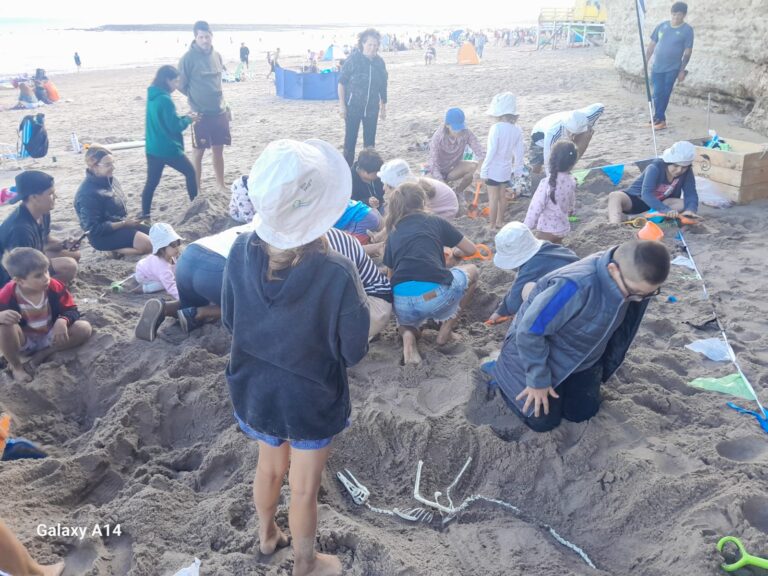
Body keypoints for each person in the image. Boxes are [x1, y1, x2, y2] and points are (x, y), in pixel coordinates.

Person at [222, 138, 369, 576]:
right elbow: (353, 351)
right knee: (303, 489)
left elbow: (230, 319)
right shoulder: (337, 271)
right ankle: (306, 562)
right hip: (310, 396)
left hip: (254, 386)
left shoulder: (237, 250)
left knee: (269, 468)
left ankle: (267, 535)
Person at [490, 240, 670, 432]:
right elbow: (529, 331)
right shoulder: (574, 286)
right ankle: (498, 368)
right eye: (634, 293)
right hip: (539, 357)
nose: (638, 300)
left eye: (649, 294)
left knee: (581, 414)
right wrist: (537, 380)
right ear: (612, 270)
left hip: (584, 360)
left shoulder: (634, 282)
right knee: (542, 422)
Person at [383, 183, 479, 364]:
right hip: (432, 296)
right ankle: (445, 332)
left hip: (402, 301)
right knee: (473, 272)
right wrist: (456, 254)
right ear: (423, 201)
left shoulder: (393, 233)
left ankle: (409, 341)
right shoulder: (435, 220)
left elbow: (390, 277)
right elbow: (471, 249)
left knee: (407, 323)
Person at [0, 248, 92, 382]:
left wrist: (62, 320)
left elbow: (72, 309)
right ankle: (16, 367)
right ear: (20, 281)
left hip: (51, 335)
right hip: (23, 341)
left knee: (84, 328)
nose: (46, 278)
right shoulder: (6, 295)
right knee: (4, 325)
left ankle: (43, 354)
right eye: (38, 275)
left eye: (46, 271)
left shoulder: (55, 286)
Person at [487, 222, 578, 323]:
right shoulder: (551, 248)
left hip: (569, 306)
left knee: (528, 289)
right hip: (585, 291)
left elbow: (514, 304)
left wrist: (502, 312)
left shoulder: (531, 266)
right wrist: (502, 309)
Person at [0, 171, 79, 288]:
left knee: (74, 254)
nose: (55, 197)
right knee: (69, 266)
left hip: (31, 259)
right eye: (50, 194)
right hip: (11, 275)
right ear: (34, 197)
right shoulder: (21, 230)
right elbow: (17, 269)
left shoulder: (43, 212)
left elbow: (45, 241)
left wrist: (64, 244)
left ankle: (52, 285)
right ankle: (45, 292)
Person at [140, 65, 198, 218]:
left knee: (151, 183)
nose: (177, 85)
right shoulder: (165, 99)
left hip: (152, 147)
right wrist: (188, 119)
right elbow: (174, 127)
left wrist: (183, 117)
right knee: (190, 173)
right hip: (167, 148)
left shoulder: (153, 94)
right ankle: (195, 205)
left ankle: (145, 214)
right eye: (175, 82)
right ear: (167, 80)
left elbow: (164, 121)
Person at [178, 21, 230, 191]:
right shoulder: (187, 59)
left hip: (219, 111)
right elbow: (180, 84)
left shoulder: (217, 56)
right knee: (198, 152)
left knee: (218, 150)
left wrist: (226, 105)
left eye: (207, 36)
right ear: (195, 37)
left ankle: (220, 184)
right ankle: (197, 188)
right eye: (201, 37)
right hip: (199, 114)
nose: (205, 40)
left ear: (211, 36)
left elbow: (218, 83)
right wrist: (195, 97)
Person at [74, 145, 152, 256]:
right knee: (148, 245)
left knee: (158, 234)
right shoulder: (87, 194)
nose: (113, 167)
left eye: (113, 163)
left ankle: (125, 244)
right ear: (94, 167)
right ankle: (114, 250)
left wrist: (127, 222)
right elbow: (93, 229)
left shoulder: (110, 180)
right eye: (108, 164)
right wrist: (124, 223)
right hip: (102, 236)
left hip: (119, 224)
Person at [607, 141, 698, 223]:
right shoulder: (654, 168)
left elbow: (691, 193)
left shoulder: (687, 172)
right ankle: (615, 225)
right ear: (668, 162)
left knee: (684, 203)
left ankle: (639, 217)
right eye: (675, 166)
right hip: (637, 200)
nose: (679, 170)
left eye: (684, 167)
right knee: (615, 196)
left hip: (660, 204)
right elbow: (646, 194)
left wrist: (690, 210)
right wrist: (665, 210)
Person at [338, 28, 388, 165]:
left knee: (370, 143)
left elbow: (383, 86)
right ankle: (347, 169)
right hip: (353, 107)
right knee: (350, 140)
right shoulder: (353, 59)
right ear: (363, 44)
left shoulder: (379, 62)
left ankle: (367, 169)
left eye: (375, 45)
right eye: (370, 44)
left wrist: (383, 108)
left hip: (372, 109)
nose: (373, 48)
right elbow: (341, 83)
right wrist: (342, 105)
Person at [646, 2, 694, 129]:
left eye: (679, 15)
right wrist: (645, 62)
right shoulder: (662, 26)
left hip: (673, 68)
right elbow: (651, 45)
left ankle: (660, 120)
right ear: (671, 13)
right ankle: (657, 118)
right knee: (656, 93)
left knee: (665, 93)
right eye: (674, 14)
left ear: (684, 15)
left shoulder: (687, 30)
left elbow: (688, 51)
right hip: (657, 66)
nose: (676, 17)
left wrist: (682, 70)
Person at [480, 92, 524, 230]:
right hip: (506, 168)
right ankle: (500, 221)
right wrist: (518, 171)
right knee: (502, 196)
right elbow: (519, 153)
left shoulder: (496, 128)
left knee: (492, 198)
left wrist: (484, 169)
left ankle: (492, 225)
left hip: (494, 168)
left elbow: (491, 151)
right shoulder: (517, 130)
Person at [523, 140, 578, 243]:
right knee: (556, 247)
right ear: (572, 163)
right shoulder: (572, 180)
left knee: (536, 249)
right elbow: (571, 205)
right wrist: (572, 215)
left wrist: (525, 228)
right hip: (563, 228)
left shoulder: (546, 183)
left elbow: (535, 207)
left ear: (552, 160)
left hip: (548, 230)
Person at [425, 107, 486, 196]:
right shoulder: (438, 137)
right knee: (427, 186)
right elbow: (433, 164)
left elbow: (480, 152)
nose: (458, 132)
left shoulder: (466, 133)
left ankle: (458, 192)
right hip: (437, 170)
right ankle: (447, 189)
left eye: (460, 128)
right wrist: (443, 184)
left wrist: (481, 173)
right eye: (455, 128)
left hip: (453, 169)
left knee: (474, 166)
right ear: (447, 125)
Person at [529, 103, 604, 173]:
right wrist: (552, 179)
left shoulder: (587, 115)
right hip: (540, 137)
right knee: (536, 170)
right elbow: (547, 158)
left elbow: (600, 106)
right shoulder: (552, 132)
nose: (573, 136)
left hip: (563, 134)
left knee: (587, 134)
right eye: (571, 133)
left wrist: (591, 125)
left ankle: (568, 167)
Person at [379, 159, 458, 219]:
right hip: (446, 204)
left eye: (386, 185)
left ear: (395, 186)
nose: (383, 188)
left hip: (447, 210)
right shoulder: (411, 185)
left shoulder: (412, 193)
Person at [134, 223, 183, 298]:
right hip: (144, 275)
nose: (177, 247)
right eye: (173, 245)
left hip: (148, 266)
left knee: (171, 277)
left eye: (178, 242)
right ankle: (144, 288)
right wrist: (183, 298)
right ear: (162, 248)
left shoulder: (171, 255)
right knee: (163, 284)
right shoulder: (163, 268)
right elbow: (171, 288)